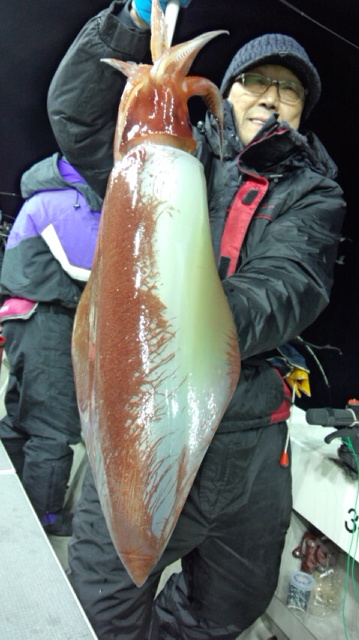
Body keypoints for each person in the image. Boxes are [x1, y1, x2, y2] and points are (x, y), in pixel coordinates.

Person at [47, 0, 346, 637]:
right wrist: (128, 21)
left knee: (234, 601)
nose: (271, 98)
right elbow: (75, 114)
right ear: (227, 93)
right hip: (142, 413)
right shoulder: (171, 156)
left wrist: (183, 322)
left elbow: (292, 285)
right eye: (256, 82)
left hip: (248, 433)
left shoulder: (315, 194)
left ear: (302, 110)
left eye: (288, 90)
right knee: (106, 600)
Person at [0, 153, 101, 535]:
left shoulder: (57, 194)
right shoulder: (64, 201)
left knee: (22, 417)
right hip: (46, 317)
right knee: (54, 427)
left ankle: (8, 496)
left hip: (27, 318)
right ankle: (43, 520)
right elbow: (89, 265)